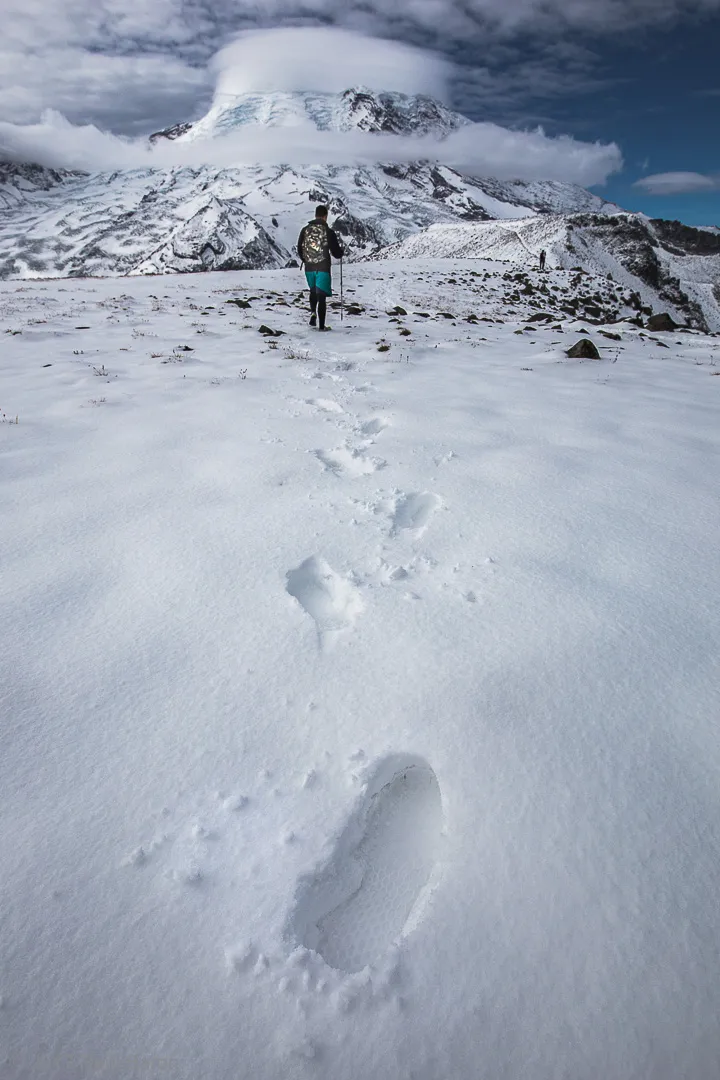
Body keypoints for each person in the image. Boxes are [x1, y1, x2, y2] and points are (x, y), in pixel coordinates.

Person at [297, 206, 344, 331]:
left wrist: (306, 260)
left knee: (313, 291)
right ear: (325, 216)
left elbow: (299, 248)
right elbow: (336, 252)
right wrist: (341, 252)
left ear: (315, 215)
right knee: (321, 296)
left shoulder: (305, 230)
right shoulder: (328, 231)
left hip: (309, 268)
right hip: (323, 267)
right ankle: (322, 326)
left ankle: (313, 312)